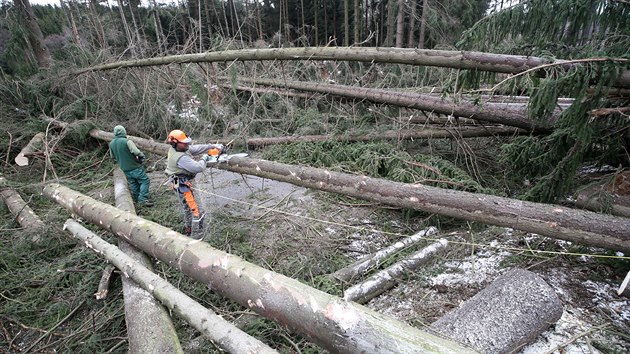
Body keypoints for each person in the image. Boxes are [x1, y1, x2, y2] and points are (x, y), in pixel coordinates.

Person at [164, 129, 224, 239]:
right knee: (196, 211)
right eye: (184, 142)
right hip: (183, 185)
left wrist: (211, 146)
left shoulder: (180, 149)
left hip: (180, 183)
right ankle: (196, 237)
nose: (187, 144)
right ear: (175, 143)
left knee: (187, 208)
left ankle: (189, 229)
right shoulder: (180, 157)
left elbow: (195, 149)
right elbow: (198, 167)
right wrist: (205, 158)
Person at [109, 125, 152, 206]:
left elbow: (112, 156)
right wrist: (142, 155)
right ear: (123, 131)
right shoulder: (127, 141)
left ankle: (137, 199)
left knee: (133, 183)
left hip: (124, 168)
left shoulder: (111, 143)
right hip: (134, 166)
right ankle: (142, 199)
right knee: (145, 181)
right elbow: (136, 152)